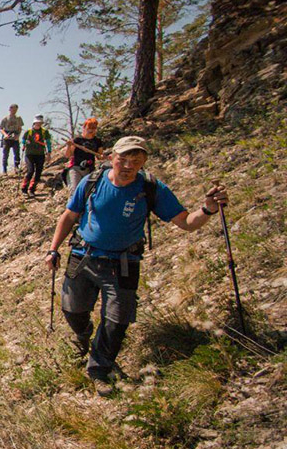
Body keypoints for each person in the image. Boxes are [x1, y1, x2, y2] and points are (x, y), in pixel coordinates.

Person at [44, 136, 229, 396]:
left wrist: (208, 209)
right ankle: (83, 334)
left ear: (143, 162)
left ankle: (100, 369)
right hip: (83, 256)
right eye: (124, 159)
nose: (129, 165)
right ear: (111, 158)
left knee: (116, 322)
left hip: (123, 263)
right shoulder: (91, 182)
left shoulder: (151, 188)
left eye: (136, 160)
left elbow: (186, 222)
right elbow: (69, 215)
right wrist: (53, 249)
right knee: (72, 310)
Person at [65, 118, 106, 193]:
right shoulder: (77, 140)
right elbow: (68, 155)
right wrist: (68, 146)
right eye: (89, 128)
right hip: (76, 168)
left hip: (89, 169)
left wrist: (102, 156)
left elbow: (99, 156)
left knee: (87, 192)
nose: (91, 130)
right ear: (84, 127)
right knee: (74, 191)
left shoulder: (97, 141)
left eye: (93, 128)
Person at [20, 114, 52, 196]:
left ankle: (32, 189)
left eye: (40, 122)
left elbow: (48, 142)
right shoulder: (29, 132)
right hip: (29, 154)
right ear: (34, 123)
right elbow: (23, 140)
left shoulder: (45, 132)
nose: (38, 124)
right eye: (37, 122)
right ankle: (24, 188)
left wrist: (49, 152)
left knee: (38, 172)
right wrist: (25, 143)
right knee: (30, 171)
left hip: (40, 154)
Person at [0, 104, 23, 174]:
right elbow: (1, 128)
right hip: (7, 137)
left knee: (17, 153)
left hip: (15, 137)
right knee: (5, 154)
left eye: (15, 110)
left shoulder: (19, 118)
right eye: (13, 109)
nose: (14, 111)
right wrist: (5, 134)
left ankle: (16, 167)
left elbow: (20, 128)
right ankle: (4, 169)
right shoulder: (5, 118)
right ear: (10, 109)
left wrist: (18, 136)